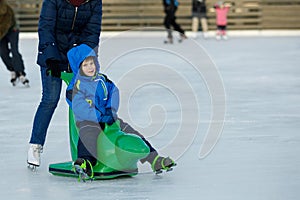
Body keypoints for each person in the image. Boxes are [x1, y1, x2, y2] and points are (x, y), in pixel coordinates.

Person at [67, 44, 176, 177]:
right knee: (88, 135)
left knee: (131, 132)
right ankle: (85, 162)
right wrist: (99, 116)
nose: (90, 67)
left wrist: (110, 111)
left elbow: (114, 92)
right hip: (89, 121)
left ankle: (154, 159)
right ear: (78, 68)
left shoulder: (102, 79)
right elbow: (79, 107)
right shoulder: (76, 87)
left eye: (92, 63)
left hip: (110, 118)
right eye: (85, 65)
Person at [27, 0, 102, 168]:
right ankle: (35, 145)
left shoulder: (94, 2)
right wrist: (51, 58)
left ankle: (86, 153)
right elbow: (46, 27)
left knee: (85, 102)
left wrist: (85, 58)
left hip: (78, 59)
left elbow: (92, 31)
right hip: (52, 55)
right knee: (50, 99)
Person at [0, 0, 29, 86]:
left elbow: (6, 25)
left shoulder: (5, 9)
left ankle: (20, 73)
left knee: (14, 50)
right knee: (3, 53)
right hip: (1, 33)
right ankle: (12, 69)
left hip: (12, 30)